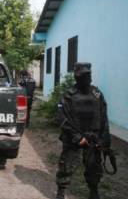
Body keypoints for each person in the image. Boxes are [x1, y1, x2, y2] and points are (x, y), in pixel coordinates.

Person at [55, 63, 111, 199]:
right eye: (83, 75)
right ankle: (61, 192)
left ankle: (94, 191)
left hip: (93, 139)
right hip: (74, 139)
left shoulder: (97, 94)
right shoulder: (68, 95)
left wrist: (104, 139)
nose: (87, 78)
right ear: (76, 76)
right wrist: (77, 137)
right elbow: (62, 118)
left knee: (94, 168)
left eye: (88, 75)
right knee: (66, 167)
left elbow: (103, 117)